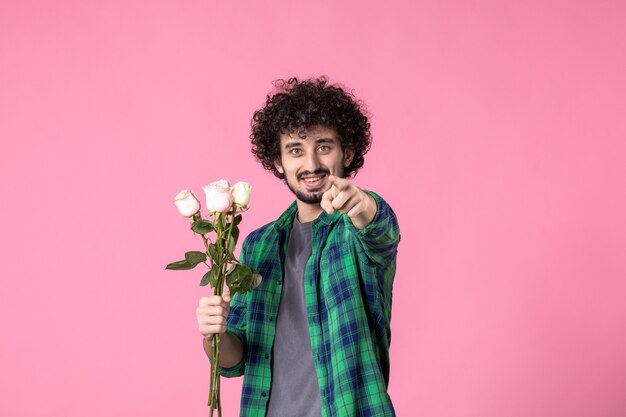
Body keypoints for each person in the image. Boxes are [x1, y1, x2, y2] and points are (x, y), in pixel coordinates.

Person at [196, 77, 400, 417]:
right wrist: (213, 335)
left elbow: (380, 230)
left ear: (346, 153)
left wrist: (359, 202)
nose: (311, 164)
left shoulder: (357, 229)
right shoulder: (258, 246)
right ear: (278, 162)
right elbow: (236, 360)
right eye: (295, 150)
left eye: (323, 147)